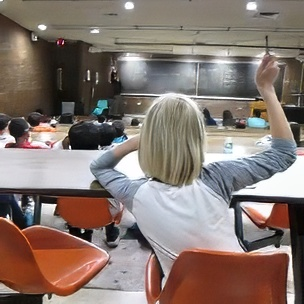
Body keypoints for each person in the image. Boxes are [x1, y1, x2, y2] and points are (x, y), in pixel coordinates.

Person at [90, 55, 296, 283]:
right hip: (246, 291)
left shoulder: (134, 193)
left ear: (148, 140)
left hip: (183, 295)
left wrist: (136, 140)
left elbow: (99, 166)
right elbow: (283, 153)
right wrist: (266, 89)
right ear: (198, 138)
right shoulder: (218, 178)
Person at [66, 121, 122, 247]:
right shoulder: (107, 162)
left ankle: (75, 231)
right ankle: (111, 235)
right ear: (98, 141)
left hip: (68, 211)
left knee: (74, 198)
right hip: (103, 214)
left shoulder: (63, 162)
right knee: (114, 194)